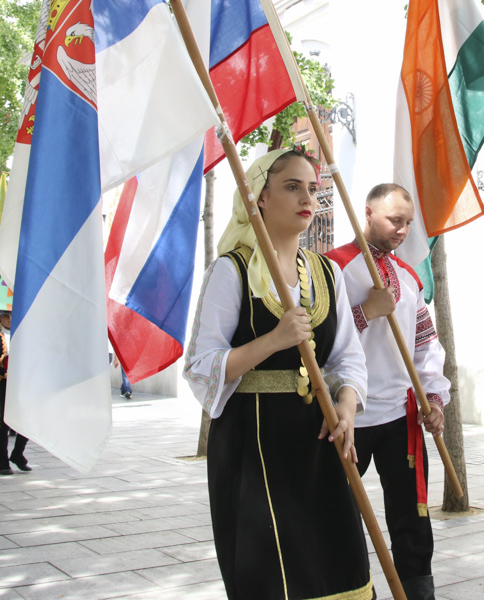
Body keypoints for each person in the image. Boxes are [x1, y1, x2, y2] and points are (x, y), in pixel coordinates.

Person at [183, 148, 372, 599]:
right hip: (253, 446)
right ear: (259, 198)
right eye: (292, 187)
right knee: (272, 574)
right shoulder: (232, 271)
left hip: (319, 438)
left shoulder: (328, 273)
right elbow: (201, 367)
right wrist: (272, 340)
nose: (307, 198)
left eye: (313, 189)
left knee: (338, 564)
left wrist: (345, 409)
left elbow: (348, 358)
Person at [326, 183, 449, 600]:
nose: (402, 230)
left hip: (400, 416)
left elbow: (425, 346)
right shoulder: (333, 269)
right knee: (337, 513)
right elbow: (317, 343)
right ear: (368, 213)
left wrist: (434, 399)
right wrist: (364, 313)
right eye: (395, 220)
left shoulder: (409, 276)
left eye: (408, 223)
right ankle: (351, 591)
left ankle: (418, 593)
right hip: (348, 417)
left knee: (412, 517)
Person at [0, 309, 28, 475]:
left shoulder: (24, 335)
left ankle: (18, 454)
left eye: (12, 315)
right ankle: (1, 461)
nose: (9, 319)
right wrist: (5, 374)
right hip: (4, 383)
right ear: (0, 319)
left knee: (26, 420)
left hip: (22, 383)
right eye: (5, 316)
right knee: (2, 423)